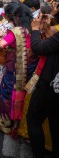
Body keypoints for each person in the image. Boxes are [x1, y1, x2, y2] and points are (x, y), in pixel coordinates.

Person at [0, 1, 38, 137]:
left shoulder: (17, 31)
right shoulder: (34, 30)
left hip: (15, 69)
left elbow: (0, 45)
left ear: (17, 17)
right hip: (29, 69)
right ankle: (18, 124)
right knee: (22, 95)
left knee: (8, 93)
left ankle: (5, 123)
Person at [27, 9, 59, 158]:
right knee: (55, 123)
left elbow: (38, 48)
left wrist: (34, 30)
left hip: (50, 85)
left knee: (33, 120)